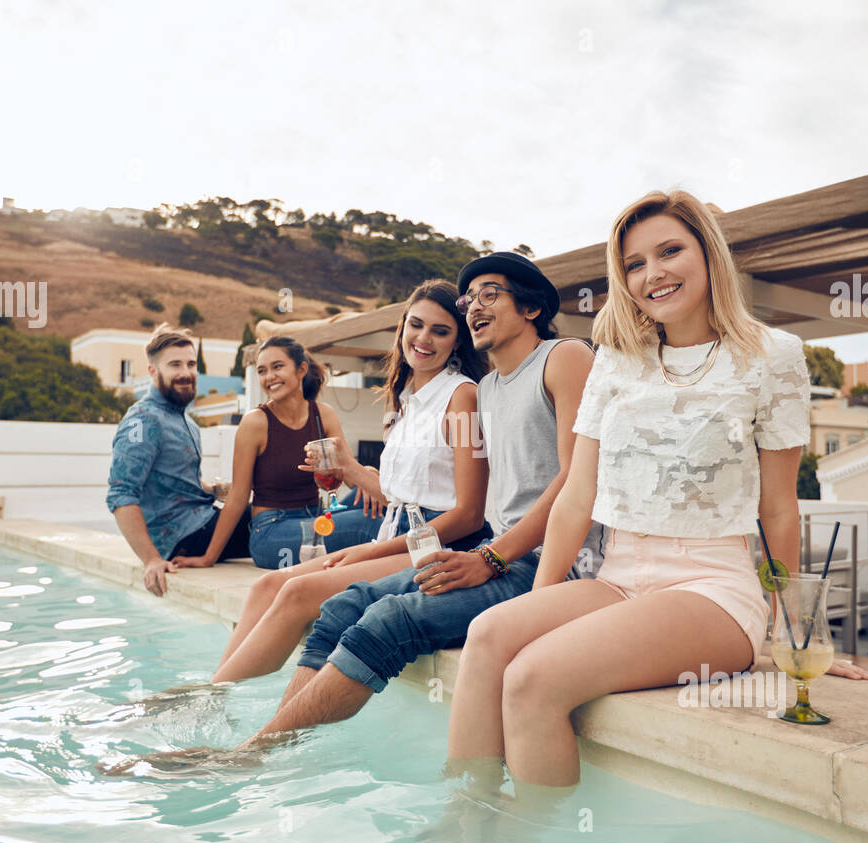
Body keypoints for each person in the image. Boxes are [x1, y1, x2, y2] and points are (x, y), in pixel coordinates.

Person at [106, 252, 602, 773]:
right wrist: (352, 476)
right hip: (487, 549)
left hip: (534, 558)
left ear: (530, 306)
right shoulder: (484, 389)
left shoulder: (547, 363)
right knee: (339, 605)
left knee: (352, 607)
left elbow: (549, 487)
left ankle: (249, 751)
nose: (472, 309)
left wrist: (490, 559)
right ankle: (261, 740)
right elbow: (420, 492)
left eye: (488, 295)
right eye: (466, 300)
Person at [446, 191, 868, 794]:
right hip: (617, 577)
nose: (654, 273)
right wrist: (533, 611)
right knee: (490, 636)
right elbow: (576, 494)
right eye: (635, 264)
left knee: (533, 680)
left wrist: (791, 627)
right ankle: (466, 825)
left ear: (708, 251)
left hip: (713, 588)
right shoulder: (617, 358)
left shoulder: (772, 355)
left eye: (670, 250)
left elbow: (777, 504)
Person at [179, 278, 493, 689]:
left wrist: (375, 547)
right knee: (268, 585)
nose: (424, 339)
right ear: (402, 327)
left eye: (441, 331)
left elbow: (469, 515)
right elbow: (401, 496)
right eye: (416, 325)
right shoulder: (405, 399)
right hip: (396, 532)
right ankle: (213, 691)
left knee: (296, 594)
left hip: (436, 545)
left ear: (458, 341)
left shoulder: (461, 396)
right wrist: (349, 468)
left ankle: (208, 698)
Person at [173, 335, 382, 572]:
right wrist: (208, 557)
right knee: (369, 523)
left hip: (316, 517)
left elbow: (348, 472)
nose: (269, 377)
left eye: (277, 367)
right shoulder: (255, 422)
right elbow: (239, 497)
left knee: (380, 506)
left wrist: (368, 475)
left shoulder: (323, 415)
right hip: (272, 533)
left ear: (301, 369)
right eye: (262, 371)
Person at [107, 324, 251, 597]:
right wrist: (151, 559)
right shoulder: (142, 420)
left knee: (270, 513)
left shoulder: (184, 420)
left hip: (200, 522)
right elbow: (121, 493)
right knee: (270, 517)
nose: (185, 373)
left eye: (191, 364)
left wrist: (213, 490)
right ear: (152, 371)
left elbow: (174, 483)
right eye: (175, 365)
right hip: (182, 539)